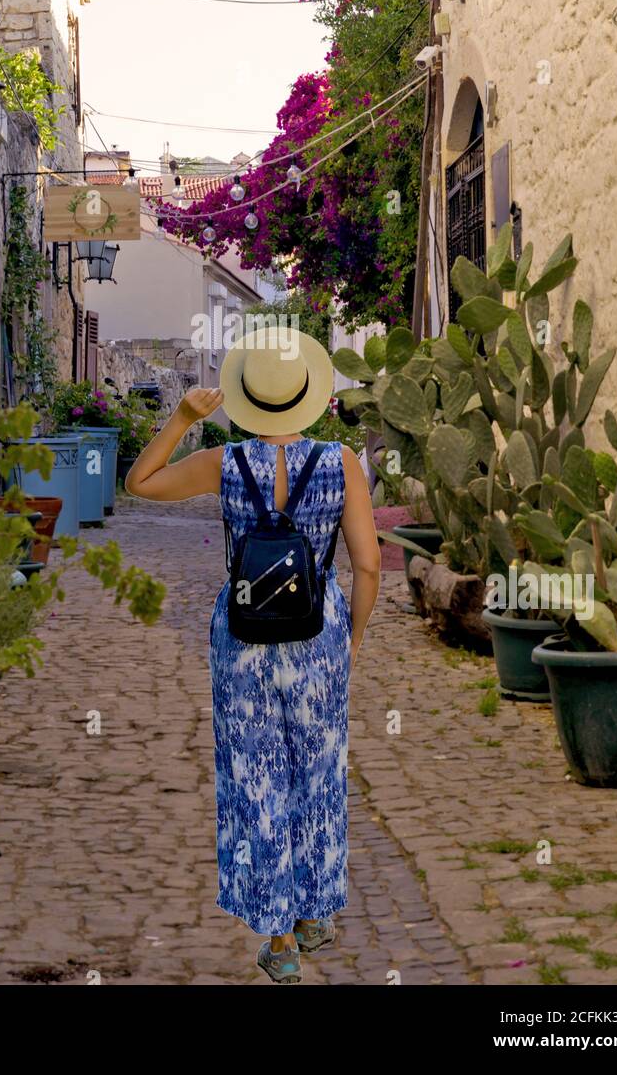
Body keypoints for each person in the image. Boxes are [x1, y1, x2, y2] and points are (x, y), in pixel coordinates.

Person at [125, 327, 381, 984]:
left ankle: (280, 940)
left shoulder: (223, 463)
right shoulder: (341, 463)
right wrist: (349, 637)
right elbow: (370, 565)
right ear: (309, 398)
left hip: (242, 639)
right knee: (317, 772)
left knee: (256, 777)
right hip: (317, 634)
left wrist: (183, 418)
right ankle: (312, 911)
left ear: (244, 399)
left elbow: (140, 484)